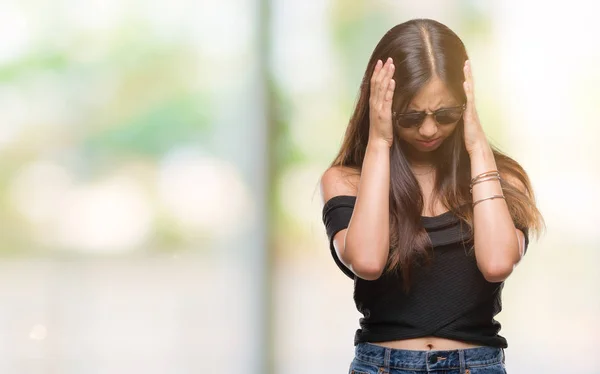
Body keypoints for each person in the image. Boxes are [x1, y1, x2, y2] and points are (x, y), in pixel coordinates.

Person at [319, 19, 543, 374]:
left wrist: (478, 148)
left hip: (477, 365)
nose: (428, 129)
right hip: (382, 366)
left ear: (466, 103)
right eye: (410, 116)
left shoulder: (502, 178)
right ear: (383, 106)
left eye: (445, 114)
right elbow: (366, 261)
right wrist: (379, 142)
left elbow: (498, 262)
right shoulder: (346, 181)